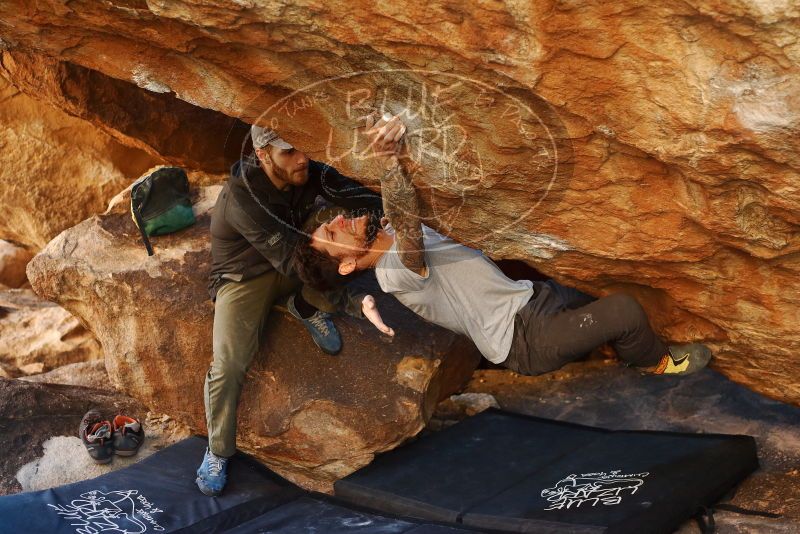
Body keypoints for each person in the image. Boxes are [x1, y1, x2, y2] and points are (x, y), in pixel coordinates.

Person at [292, 114, 712, 381]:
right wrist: (388, 158)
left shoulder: (387, 233)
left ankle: (611, 344)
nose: (336, 221)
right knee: (624, 310)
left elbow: (397, 217)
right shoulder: (394, 274)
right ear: (346, 266)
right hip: (525, 340)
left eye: (328, 222)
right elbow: (409, 224)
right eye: (332, 236)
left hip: (532, 302)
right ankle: (654, 364)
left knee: (594, 291)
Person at [197, 124, 383, 496]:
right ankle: (217, 450)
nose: (303, 159)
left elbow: (362, 199)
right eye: (289, 153)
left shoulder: (307, 170)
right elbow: (298, 263)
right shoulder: (243, 196)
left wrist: (373, 224)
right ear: (264, 155)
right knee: (229, 364)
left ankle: (301, 304)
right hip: (244, 277)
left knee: (339, 242)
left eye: (304, 148)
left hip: (292, 258)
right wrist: (351, 300)